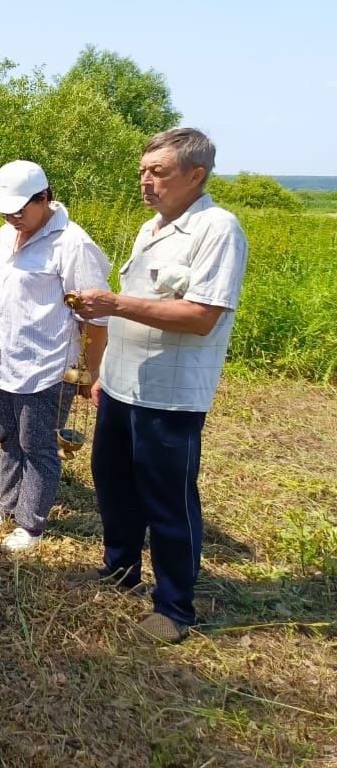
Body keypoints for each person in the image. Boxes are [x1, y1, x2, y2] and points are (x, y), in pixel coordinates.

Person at [73, 128, 248, 643]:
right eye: (143, 172)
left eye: (159, 173)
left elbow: (200, 317)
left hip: (170, 394)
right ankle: (121, 569)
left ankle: (174, 606)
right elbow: (140, 304)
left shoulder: (217, 229)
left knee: (167, 498)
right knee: (113, 482)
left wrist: (112, 303)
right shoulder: (152, 228)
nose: (147, 183)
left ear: (196, 175)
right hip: (125, 383)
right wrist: (103, 370)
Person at [0, 160, 110, 552]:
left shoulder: (72, 244)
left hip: (44, 366)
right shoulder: (1, 236)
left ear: (43, 198)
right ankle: (7, 508)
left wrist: (89, 371)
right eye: (5, 210)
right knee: (8, 437)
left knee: (38, 445)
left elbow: (95, 317)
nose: (12, 217)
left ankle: (31, 525)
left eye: (19, 209)